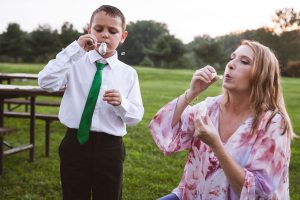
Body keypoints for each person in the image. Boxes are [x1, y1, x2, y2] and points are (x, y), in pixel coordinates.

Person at [149, 40, 295, 200]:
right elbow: (164, 131)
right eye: (232, 58)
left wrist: (216, 145)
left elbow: (257, 192)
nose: (231, 64)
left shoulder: (273, 124)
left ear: (262, 76)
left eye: (244, 61)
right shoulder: (209, 108)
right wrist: (192, 92)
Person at [38, 5, 144, 200]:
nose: (105, 35)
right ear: (89, 30)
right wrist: (75, 49)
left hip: (110, 148)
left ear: (123, 36)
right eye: (99, 29)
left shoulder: (128, 74)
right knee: (73, 194)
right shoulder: (74, 62)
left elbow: (135, 117)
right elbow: (46, 82)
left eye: (112, 31)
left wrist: (122, 103)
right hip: (74, 143)